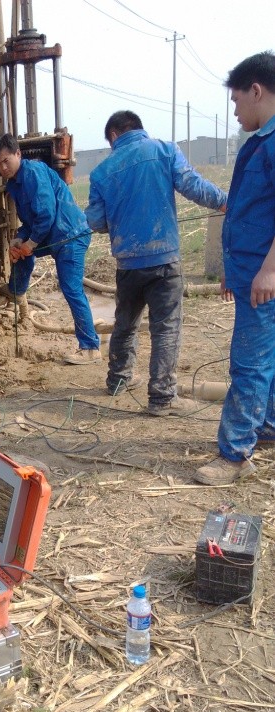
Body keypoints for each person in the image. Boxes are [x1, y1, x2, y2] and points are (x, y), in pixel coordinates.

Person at [86, 111, 227, 409]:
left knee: (125, 323)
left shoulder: (101, 172)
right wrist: (226, 202)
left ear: (114, 135)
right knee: (165, 328)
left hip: (127, 265)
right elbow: (194, 186)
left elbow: (96, 221)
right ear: (138, 128)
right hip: (164, 259)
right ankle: (162, 397)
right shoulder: (165, 150)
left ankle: (118, 380)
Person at [195, 52, 275, 485]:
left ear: (256, 91)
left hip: (265, 276)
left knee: (250, 362)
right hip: (253, 271)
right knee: (268, 358)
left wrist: (268, 272)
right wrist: (233, 268)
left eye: (236, 100)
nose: (235, 111)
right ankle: (268, 426)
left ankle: (235, 454)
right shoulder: (261, 142)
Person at [0, 134, 101, 365]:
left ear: (18, 154)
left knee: (71, 289)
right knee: (21, 252)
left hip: (70, 235)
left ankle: (90, 347)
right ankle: (16, 290)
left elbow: (46, 214)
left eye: (6, 161)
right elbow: (30, 222)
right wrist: (20, 239)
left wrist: (30, 244)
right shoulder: (14, 184)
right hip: (54, 235)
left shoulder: (33, 173)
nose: (3, 168)